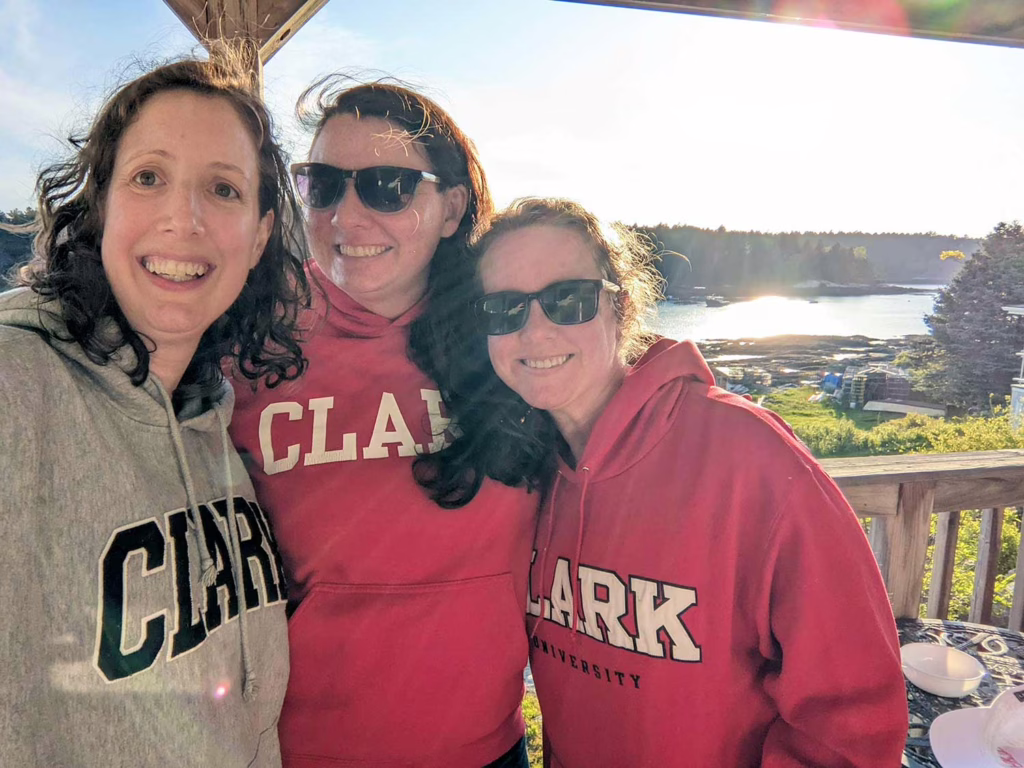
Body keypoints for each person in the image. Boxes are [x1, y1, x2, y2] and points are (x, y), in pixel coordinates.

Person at [418, 197, 909, 767]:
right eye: (503, 309)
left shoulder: (752, 458)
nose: (535, 331)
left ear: (620, 310)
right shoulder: (526, 473)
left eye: (567, 300)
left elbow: (852, 720)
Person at [0, 52, 310, 766]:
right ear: (102, 203)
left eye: (223, 189)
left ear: (260, 236)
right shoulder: (19, 387)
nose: (184, 218)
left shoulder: (215, 427)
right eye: (148, 177)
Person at [228, 77, 537, 767]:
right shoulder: (245, 346)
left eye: (388, 187)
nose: (347, 217)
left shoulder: (515, 345)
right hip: (298, 753)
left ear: (453, 207)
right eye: (324, 185)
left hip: (484, 751)